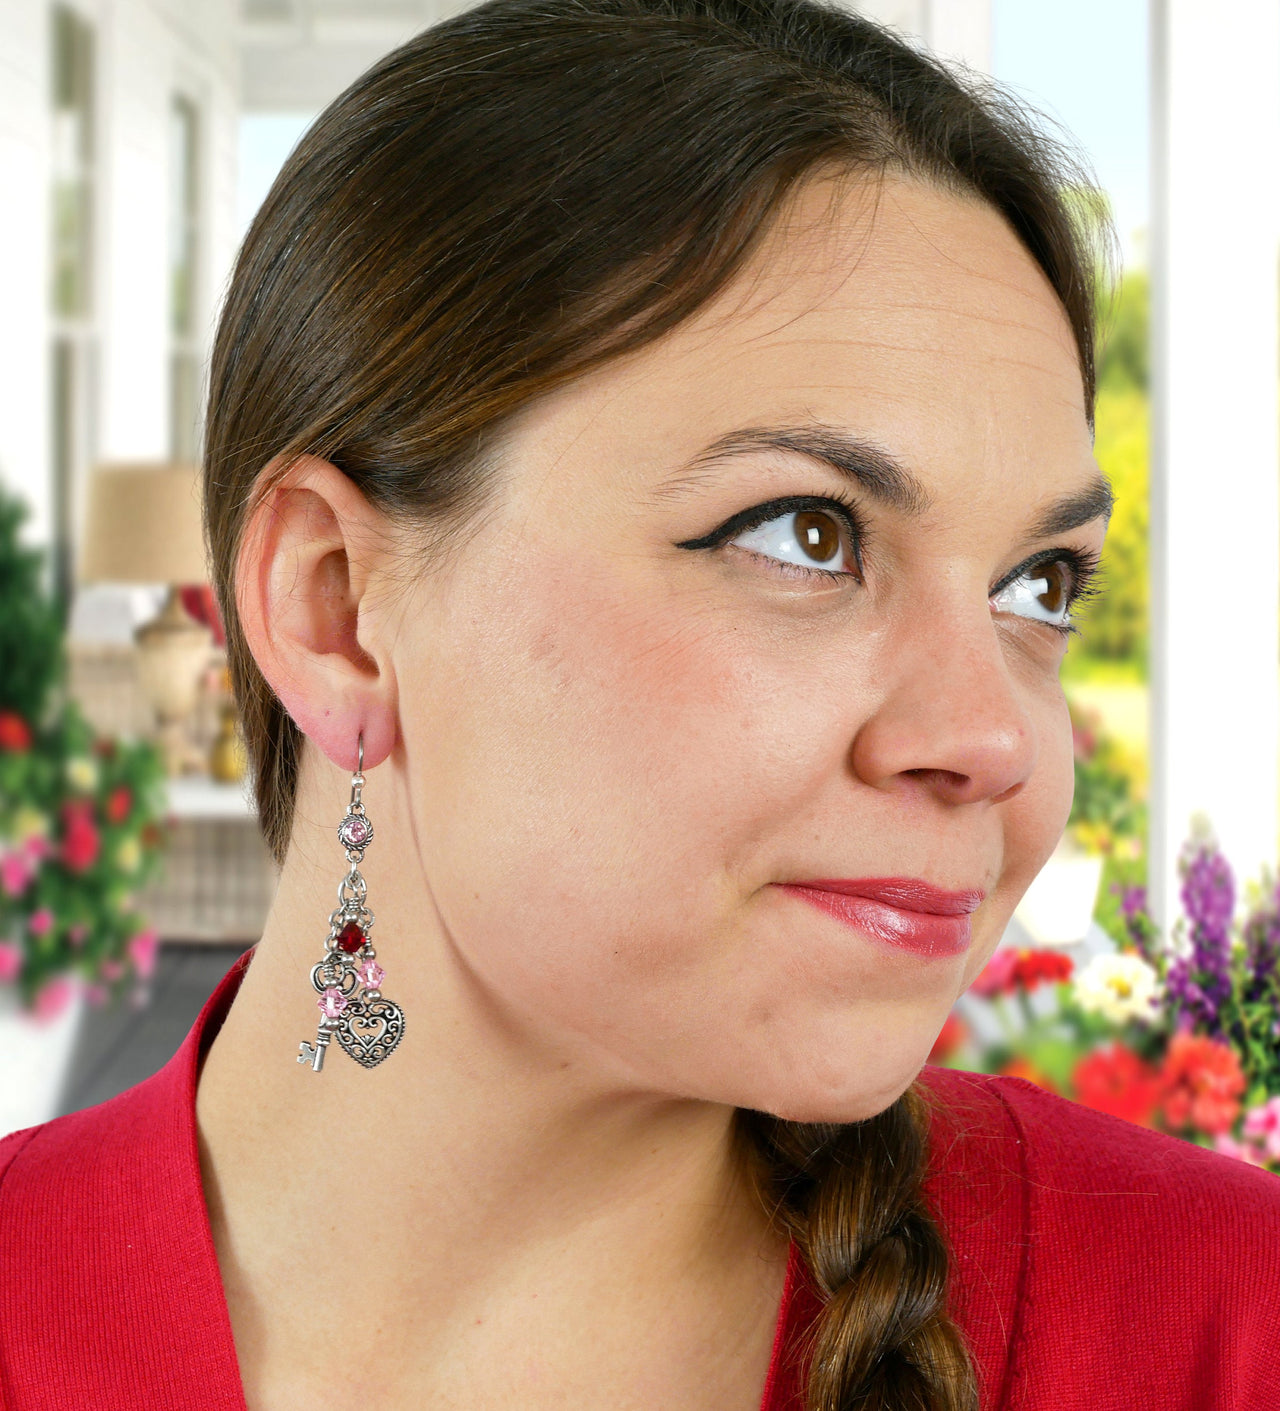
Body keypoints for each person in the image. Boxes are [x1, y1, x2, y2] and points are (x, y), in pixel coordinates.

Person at [2, 1, 1278, 1406]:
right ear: (334, 609)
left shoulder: (1220, 1324)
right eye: (807, 533)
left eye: (1038, 584)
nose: (995, 740)